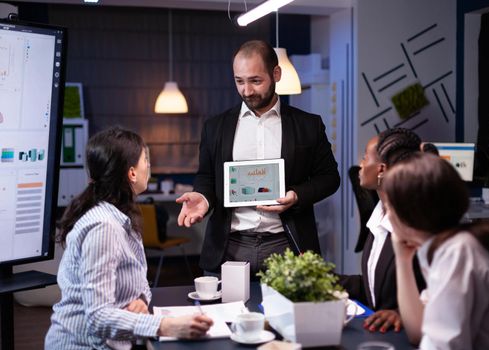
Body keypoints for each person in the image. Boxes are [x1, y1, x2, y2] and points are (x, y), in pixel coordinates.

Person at [176, 40, 340, 275]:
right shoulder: (215, 127)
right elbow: (207, 176)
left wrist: (297, 195)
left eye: (255, 81)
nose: (247, 91)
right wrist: (203, 197)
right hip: (229, 246)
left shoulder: (308, 125)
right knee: (223, 312)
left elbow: (330, 178)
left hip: (287, 247)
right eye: (239, 81)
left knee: (287, 313)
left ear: (276, 74)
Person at [45, 127, 213, 349]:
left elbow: (138, 280)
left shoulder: (120, 216)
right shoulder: (103, 227)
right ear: (132, 173)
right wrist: (166, 326)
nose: (149, 166)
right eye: (146, 160)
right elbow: (98, 316)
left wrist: (140, 300)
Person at [384, 153, 489, 349]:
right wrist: (403, 260)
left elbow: (441, 346)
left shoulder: (459, 253)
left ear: (410, 214)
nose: (387, 215)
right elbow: (418, 331)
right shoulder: (463, 244)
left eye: (389, 207)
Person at [340, 128, 426, 333]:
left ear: (381, 169)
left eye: (364, 158)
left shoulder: (416, 228)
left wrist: (400, 314)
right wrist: (321, 275)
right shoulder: (378, 217)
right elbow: (373, 289)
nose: (360, 165)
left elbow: (438, 293)